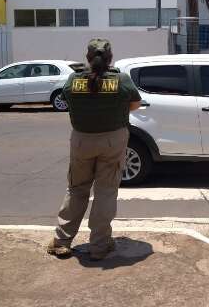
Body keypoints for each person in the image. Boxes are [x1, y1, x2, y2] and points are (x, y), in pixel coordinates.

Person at [47, 39, 142, 260]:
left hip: (81, 141)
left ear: (88, 58)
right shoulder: (121, 80)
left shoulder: (74, 80)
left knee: (77, 188)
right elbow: (135, 104)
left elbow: (67, 100)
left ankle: (61, 241)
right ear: (110, 59)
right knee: (105, 191)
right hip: (112, 141)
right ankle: (99, 245)